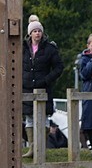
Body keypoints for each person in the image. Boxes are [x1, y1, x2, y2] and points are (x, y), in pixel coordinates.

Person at [21, 15, 64, 156]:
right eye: (34, 31)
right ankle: (33, 148)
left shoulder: (50, 48)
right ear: (30, 33)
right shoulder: (22, 47)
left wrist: (47, 80)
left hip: (43, 87)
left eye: (39, 31)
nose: (37, 33)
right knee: (29, 118)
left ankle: (41, 148)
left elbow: (58, 67)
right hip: (27, 87)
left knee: (43, 118)